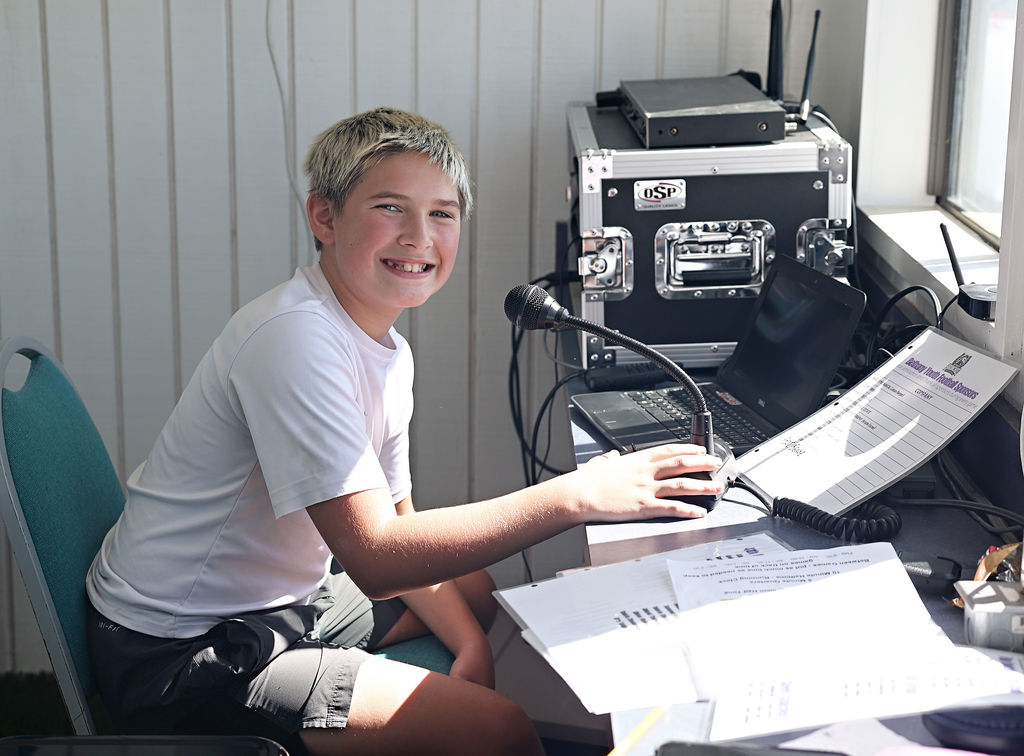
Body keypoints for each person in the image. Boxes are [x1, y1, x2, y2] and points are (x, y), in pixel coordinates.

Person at [85, 106, 724, 756]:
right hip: (182, 651)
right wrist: (577, 497)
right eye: (391, 208)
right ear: (324, 217)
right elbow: (378, 556)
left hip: (281, 599)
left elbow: (399, 518)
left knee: (476, 600)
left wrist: (472, 644)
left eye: (443, 214)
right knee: (499, 731)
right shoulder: (295, 342)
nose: (420, 235)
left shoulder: (385, 346)